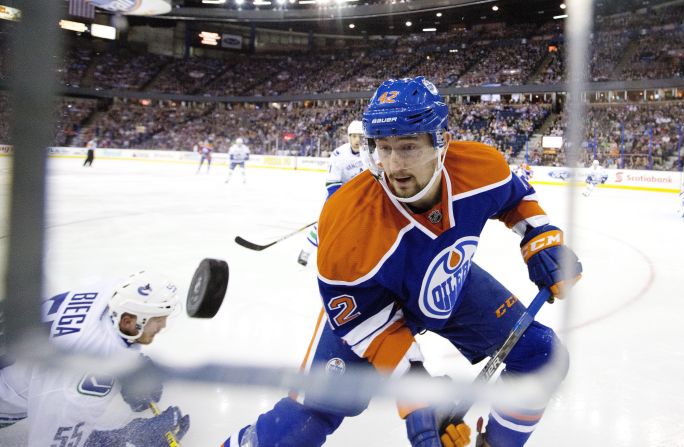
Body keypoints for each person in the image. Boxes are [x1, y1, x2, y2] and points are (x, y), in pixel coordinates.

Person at [224, 77, 581, 447]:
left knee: (543, 356)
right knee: (307, 420)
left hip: (447, 283)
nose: (394, 166)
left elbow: (515, 199)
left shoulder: (480, 166)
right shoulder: (345, 225)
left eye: (408, 147)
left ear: (441, 141)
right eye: (385, 148)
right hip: (372, 308)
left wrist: (540, 238)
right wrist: (415, 391)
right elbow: (365, 324)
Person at [0, 271, 190, 446]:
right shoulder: (73, 389)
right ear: (128, 321)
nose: (163, 325)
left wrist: (126, 366)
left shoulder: (111, 290)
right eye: (158, 320)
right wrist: (131, 438)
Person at [297, 120, 366, 266]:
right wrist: (341, 202)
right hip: (340, 195)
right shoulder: (339, 154)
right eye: (353, 136)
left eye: (360, 136)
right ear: (348, 137)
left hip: (363, 198)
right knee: (324, 224)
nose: (357, 140)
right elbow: (332, 183)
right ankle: (306, 251)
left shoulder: (372, 153)